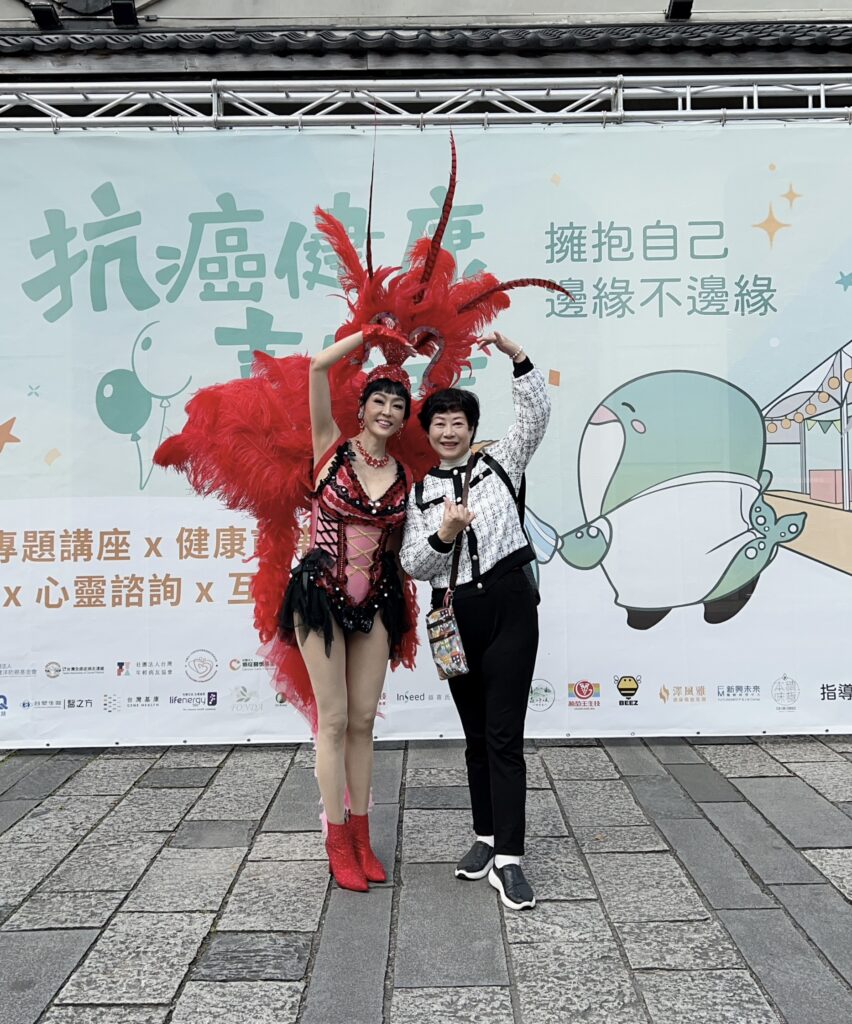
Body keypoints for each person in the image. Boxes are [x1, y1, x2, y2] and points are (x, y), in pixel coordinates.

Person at [400, 330, 550, 911]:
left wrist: (519, 357)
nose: (448, 431)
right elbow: (414, 563)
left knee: (504, 735)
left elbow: (534, 417)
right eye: (438, 423)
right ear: (427, 432)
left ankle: (509, 858)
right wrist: (445, 532)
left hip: (510, 605)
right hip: (452, 614)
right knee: (475, 737)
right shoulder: (419, 494)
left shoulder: (499, 464)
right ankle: (485, 836)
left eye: (458, 421)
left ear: (471, 427)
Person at [276, 330, 413, 891]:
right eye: (379, 400)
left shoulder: (405, 475)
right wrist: (370, 334)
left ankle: (362, 834)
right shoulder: (330, 446)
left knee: (362, 721)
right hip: (319, 598)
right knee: (332, 720)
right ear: (361, 408)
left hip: (376, 602)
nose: (387, 410)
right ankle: (336, 838)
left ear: (404, 418)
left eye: (398, 404)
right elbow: (316, 369)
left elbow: (401, 550)